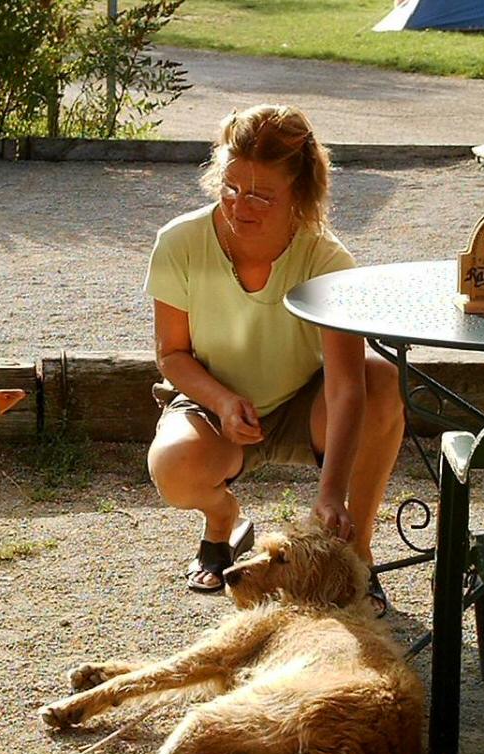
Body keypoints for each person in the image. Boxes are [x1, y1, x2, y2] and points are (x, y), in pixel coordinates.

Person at [144, 103, 404, 612]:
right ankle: (223, 521)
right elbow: (171, 355)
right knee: (173, 466)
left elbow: (346, 385)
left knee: (382, 380)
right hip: (215, 404)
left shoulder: (326, 258)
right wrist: (220, 401)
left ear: (299, 194)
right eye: (232, 187)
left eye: (263, 195)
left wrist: (331, 495)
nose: (242, 206)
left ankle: (360, 553)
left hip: (307, 406)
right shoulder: (180, 242)